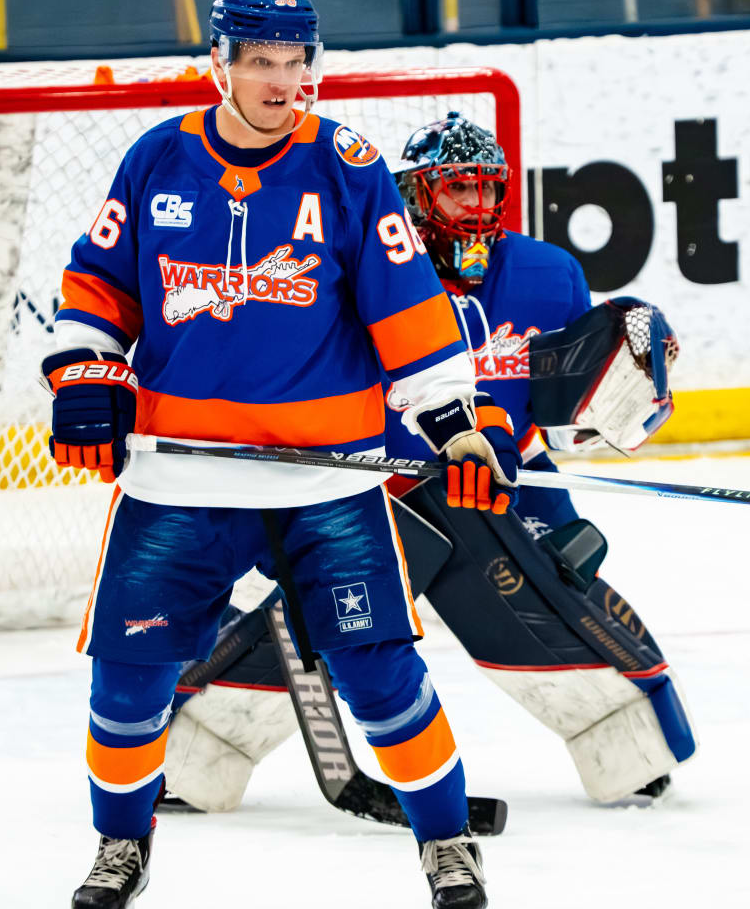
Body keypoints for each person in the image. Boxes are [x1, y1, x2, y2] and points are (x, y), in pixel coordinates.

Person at [44, 0, 520, 909]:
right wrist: (86, 373)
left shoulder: (347, 167)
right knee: (128, 680)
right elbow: (97, 288)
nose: (281, 81)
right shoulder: (156, 158)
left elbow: (409, 313)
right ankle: (121, 846)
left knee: (380, 674)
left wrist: (456, 426)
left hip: (325, 480)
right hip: (180, 481)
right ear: (218, 63)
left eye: (296, 61)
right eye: (260, 61)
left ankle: (446, 843)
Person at [161, 112, 696, 820]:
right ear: (415, 196)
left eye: (487, 188)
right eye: (457, 189)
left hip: (497, 490)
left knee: (561, 593)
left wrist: (629, 372)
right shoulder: (359, 276)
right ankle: (190, 757)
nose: (477, 205)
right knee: (302, 618)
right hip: (372, 492)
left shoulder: (547, 275)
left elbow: (565, 411)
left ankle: (628, 748)